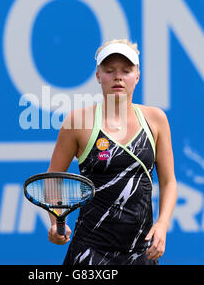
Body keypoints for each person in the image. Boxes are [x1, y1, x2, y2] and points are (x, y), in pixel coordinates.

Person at [46, 39, 177, 265]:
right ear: (98, 76)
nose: (118, 77)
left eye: (126, 71)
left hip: (141, 252)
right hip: (89, 252)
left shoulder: (156, 120)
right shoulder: (77, 122)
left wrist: (162, 225)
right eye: (110, 70)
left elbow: (169, 182)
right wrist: (56, 220)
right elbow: (52, 180)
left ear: (137, 76)